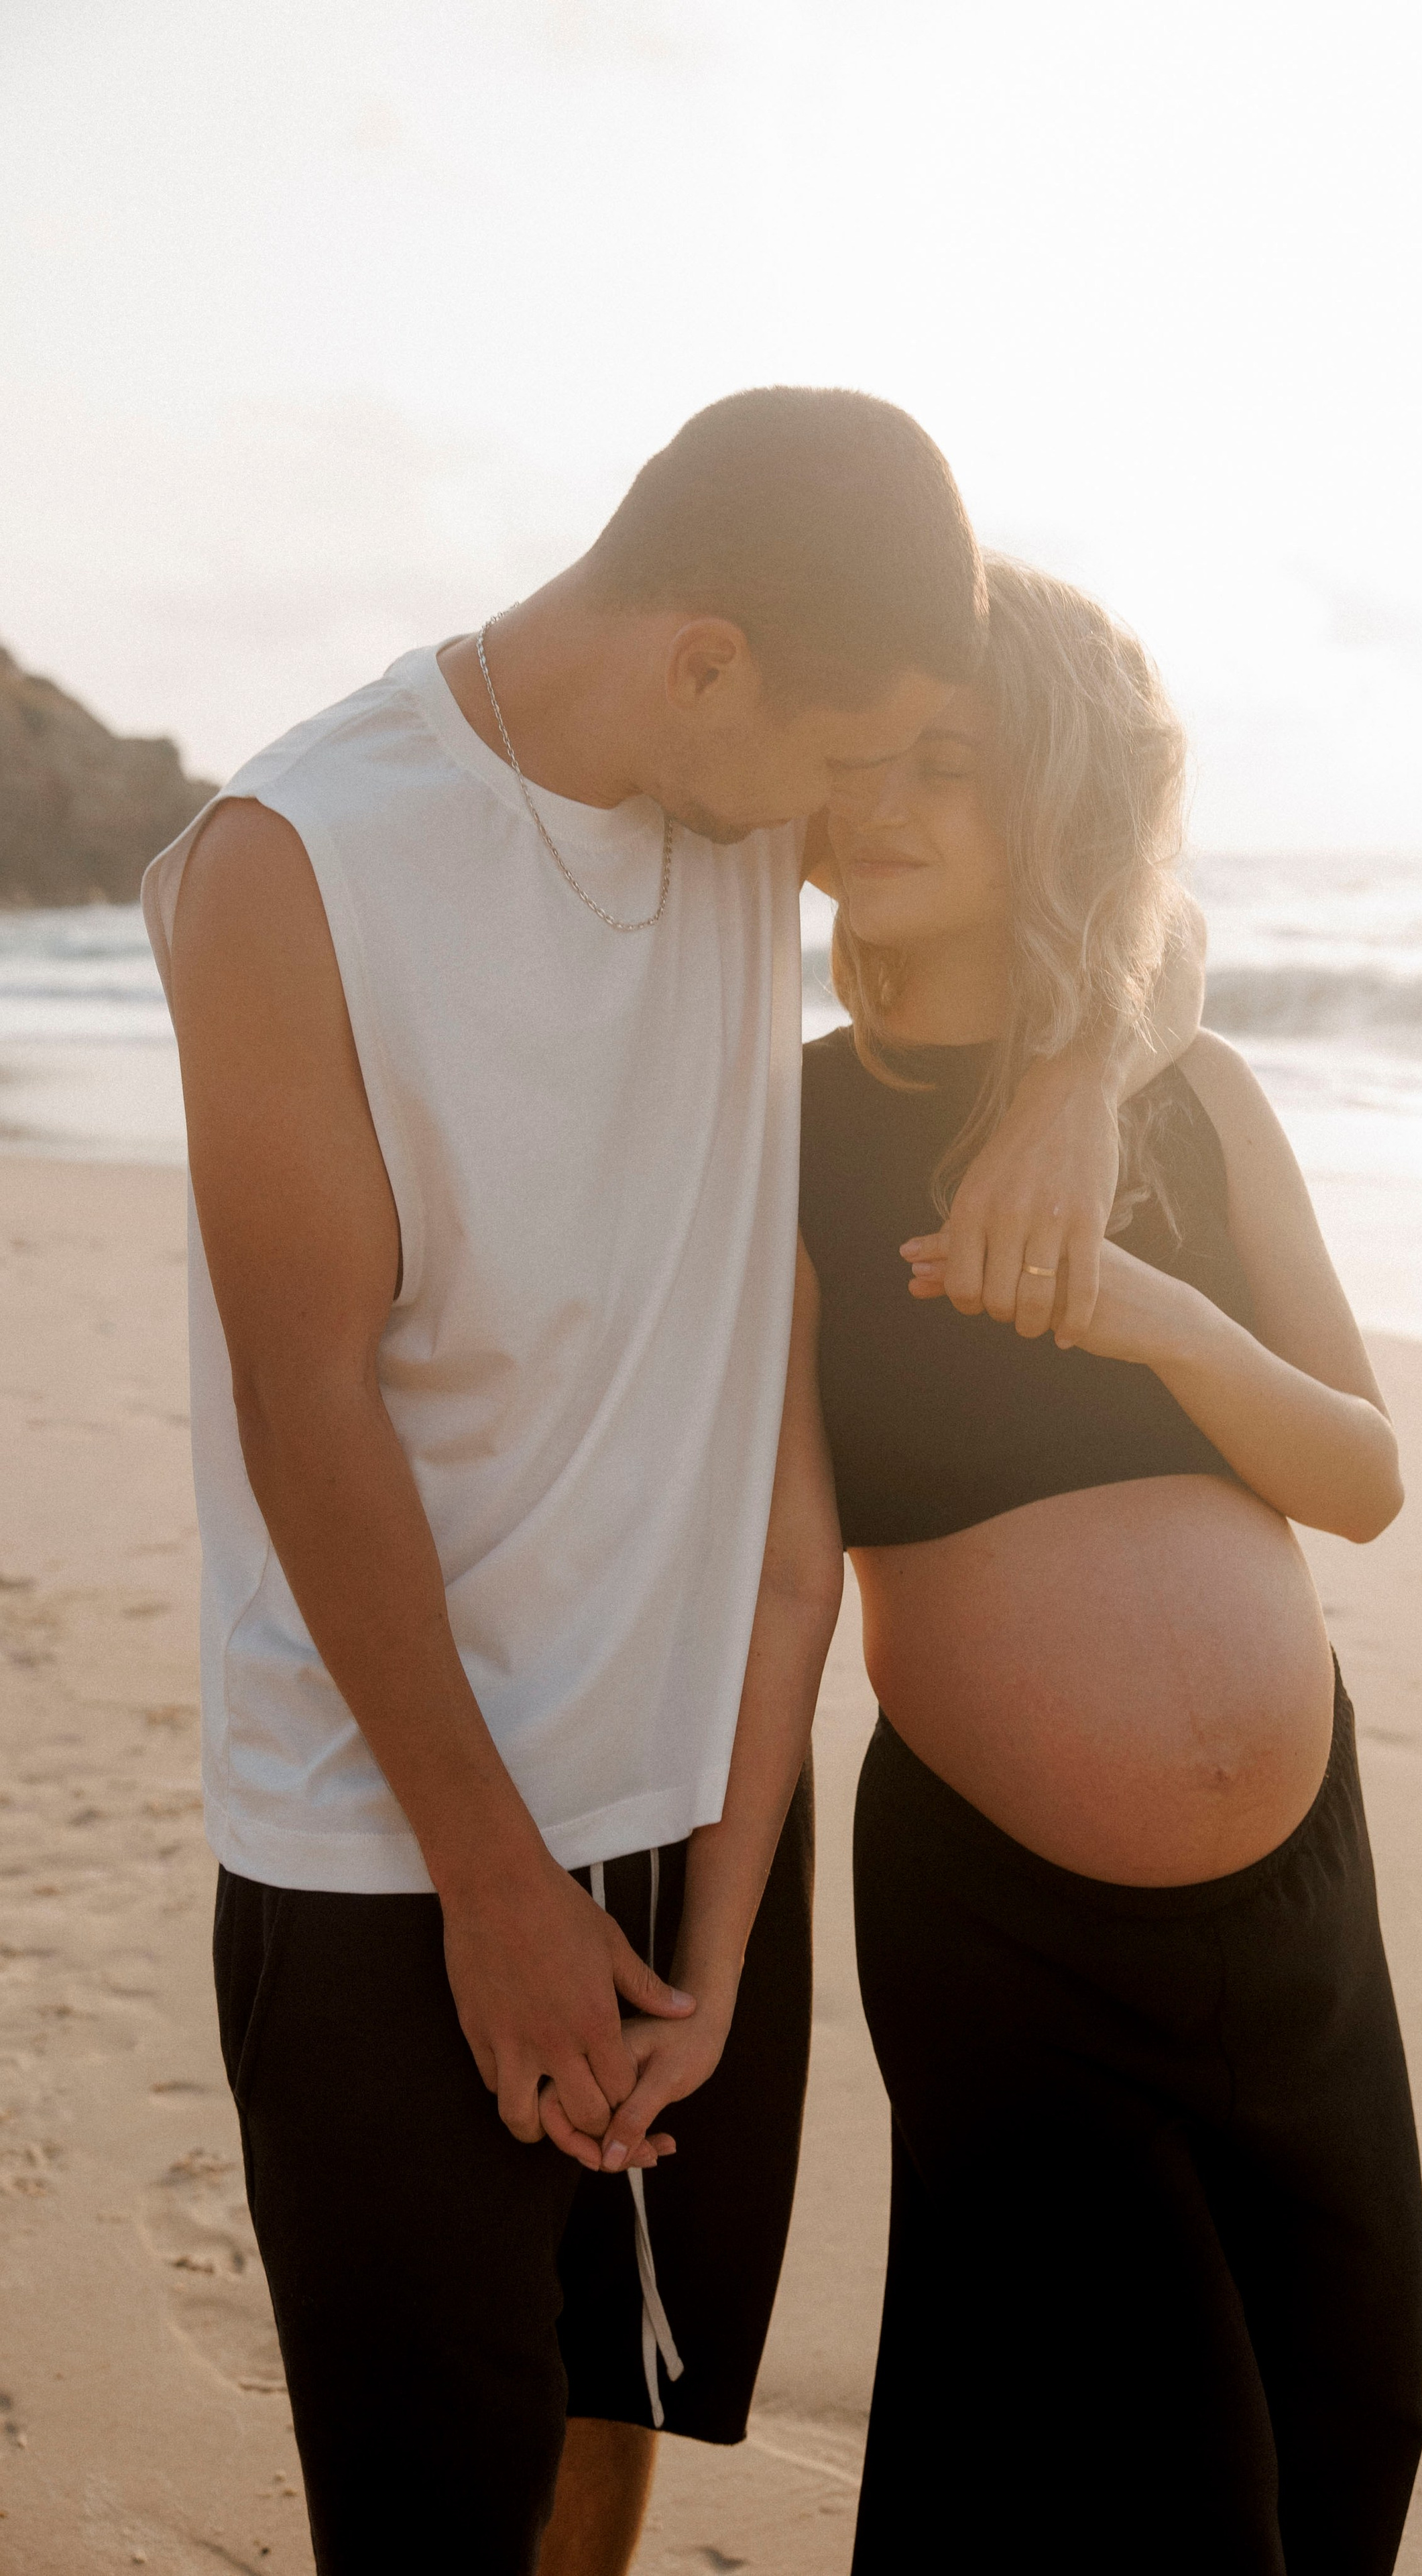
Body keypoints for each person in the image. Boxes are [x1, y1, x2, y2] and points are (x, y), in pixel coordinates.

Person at [143, 392, 1205, 2576]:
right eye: (842, 760)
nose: (850, 827)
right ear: (707, 659)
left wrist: (1086, 1072)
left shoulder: (739, 785)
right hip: (389, 1844)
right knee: (432, 2510)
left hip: (696, 1810)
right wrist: (493, 1887)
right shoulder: (297, 867)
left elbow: (1102, 824)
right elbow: (304, 1402)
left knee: (604, 2424)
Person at [797, 556, 1422, 2573]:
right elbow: (773, 1576)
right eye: (859, 762)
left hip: (1311, 1921)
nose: (880, 804)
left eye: (949, 765)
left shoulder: (1197, 1099)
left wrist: (1156, 1315)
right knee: (1153, 2509)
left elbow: (1364, 1476)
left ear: (1055, 799)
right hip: (1009, 1941)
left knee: (1343, 2462)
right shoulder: (786, 1132)